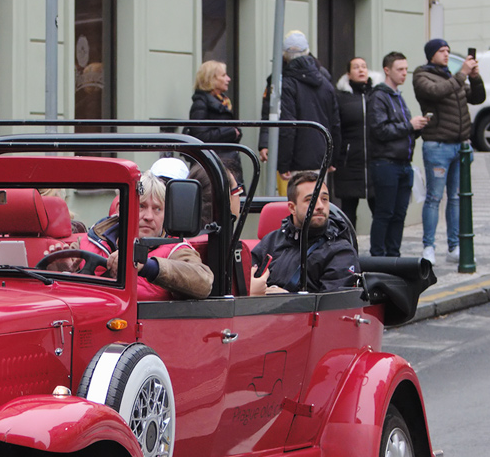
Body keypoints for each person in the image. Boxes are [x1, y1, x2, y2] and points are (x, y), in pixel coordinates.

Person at [54, 171, 213, 300]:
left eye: (157, 209)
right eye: (141, 206)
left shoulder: (175, 249)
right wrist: (62, 269)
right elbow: (66, 293)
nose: (149, 216)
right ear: (121, 209)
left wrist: (146, 266)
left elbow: (203, 282)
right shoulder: (92, 239)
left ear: (167, 214)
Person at [412, 38, 485, 264]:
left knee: (455, 198)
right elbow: (437, 92)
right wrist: (462, 74)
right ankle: (429, 247)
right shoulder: (422, 75)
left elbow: (477, 98)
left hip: (461, 145)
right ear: (431, 54)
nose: (446, 54)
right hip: (438, 145)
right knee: (434, 198)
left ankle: (454, 247)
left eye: (448, 50)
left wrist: (474, 77)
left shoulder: (452, 76)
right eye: (441, 51)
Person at [258, 31, 342, 192]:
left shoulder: (282, 81)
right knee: (317, 206)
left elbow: (286, 125)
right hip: (320, 157)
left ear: (284, 55)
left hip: (296, 160)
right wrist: (332, 158)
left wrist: (283, 164)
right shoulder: (324, 80)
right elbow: (335, 123)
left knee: (294, 208)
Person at [250, 171, 359, 294]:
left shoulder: (341, 252)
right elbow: (241, 281)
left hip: (300, 312)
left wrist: (285, 298)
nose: (320, 206)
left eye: (324, 199)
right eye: (310, 200)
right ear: (292, 208)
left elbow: (332, 307)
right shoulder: (271, 241)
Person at [367, 52, 428, 257]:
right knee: (385, 213)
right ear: (387, 70)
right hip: (385, 163)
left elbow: (400, 130)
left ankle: (394, 256)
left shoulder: (397, 96)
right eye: (400, 69)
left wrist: (417, 128)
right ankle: (379, 256)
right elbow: (380, 130)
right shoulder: (379, 96)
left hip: (403, 163)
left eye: (405, 69)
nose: (404, 74)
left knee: (399, 214)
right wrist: (409, 126)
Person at [332, 56, 381, 227]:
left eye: (364, 67)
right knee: (348, 210)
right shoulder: (341, 97)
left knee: (379, 210)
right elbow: (335, 127)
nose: (361, 70)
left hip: (375, 159)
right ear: (348, 73)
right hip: (349, 161)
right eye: (356, 67)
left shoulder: (377, 94)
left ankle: (379, 251)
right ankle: (348, 247)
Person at [184, 60, 241, 178]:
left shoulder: (223, 102)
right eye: (223, 75)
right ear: (211, 79)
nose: (228, 79)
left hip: (225, 163)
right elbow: (200, 137)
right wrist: (230, 132)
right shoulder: (200, 104)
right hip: (213, 167)